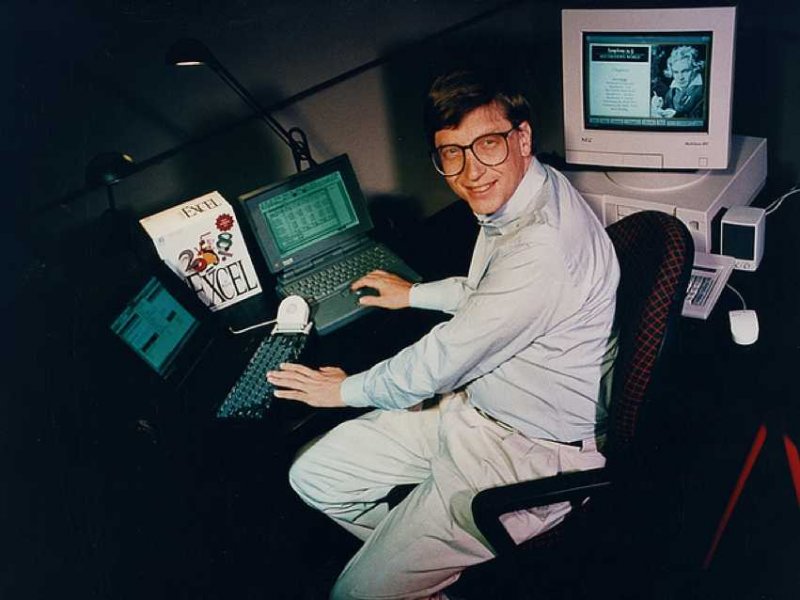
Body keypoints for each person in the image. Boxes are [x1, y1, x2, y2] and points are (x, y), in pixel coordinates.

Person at [267, 68, 620, 600]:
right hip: (474, 410)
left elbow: (441, 360)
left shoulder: (543, 246)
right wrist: (415, 293)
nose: (471, 172)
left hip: (526, 453)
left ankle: (404, 572)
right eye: (452, 152)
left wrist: (342, 390)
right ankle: (417, 571)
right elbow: (492, 297)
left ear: (522, 138)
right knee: (315, 476)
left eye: (488, 144)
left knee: (351, 594)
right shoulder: (530, 189)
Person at [651, 45, 705, 119]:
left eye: (685, 71)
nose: (680, 77)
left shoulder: (704, 90)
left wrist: (675, 116)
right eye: (676, 72)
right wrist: (659, 105)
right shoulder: (672, 90)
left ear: (695, 68)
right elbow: (667, 109)